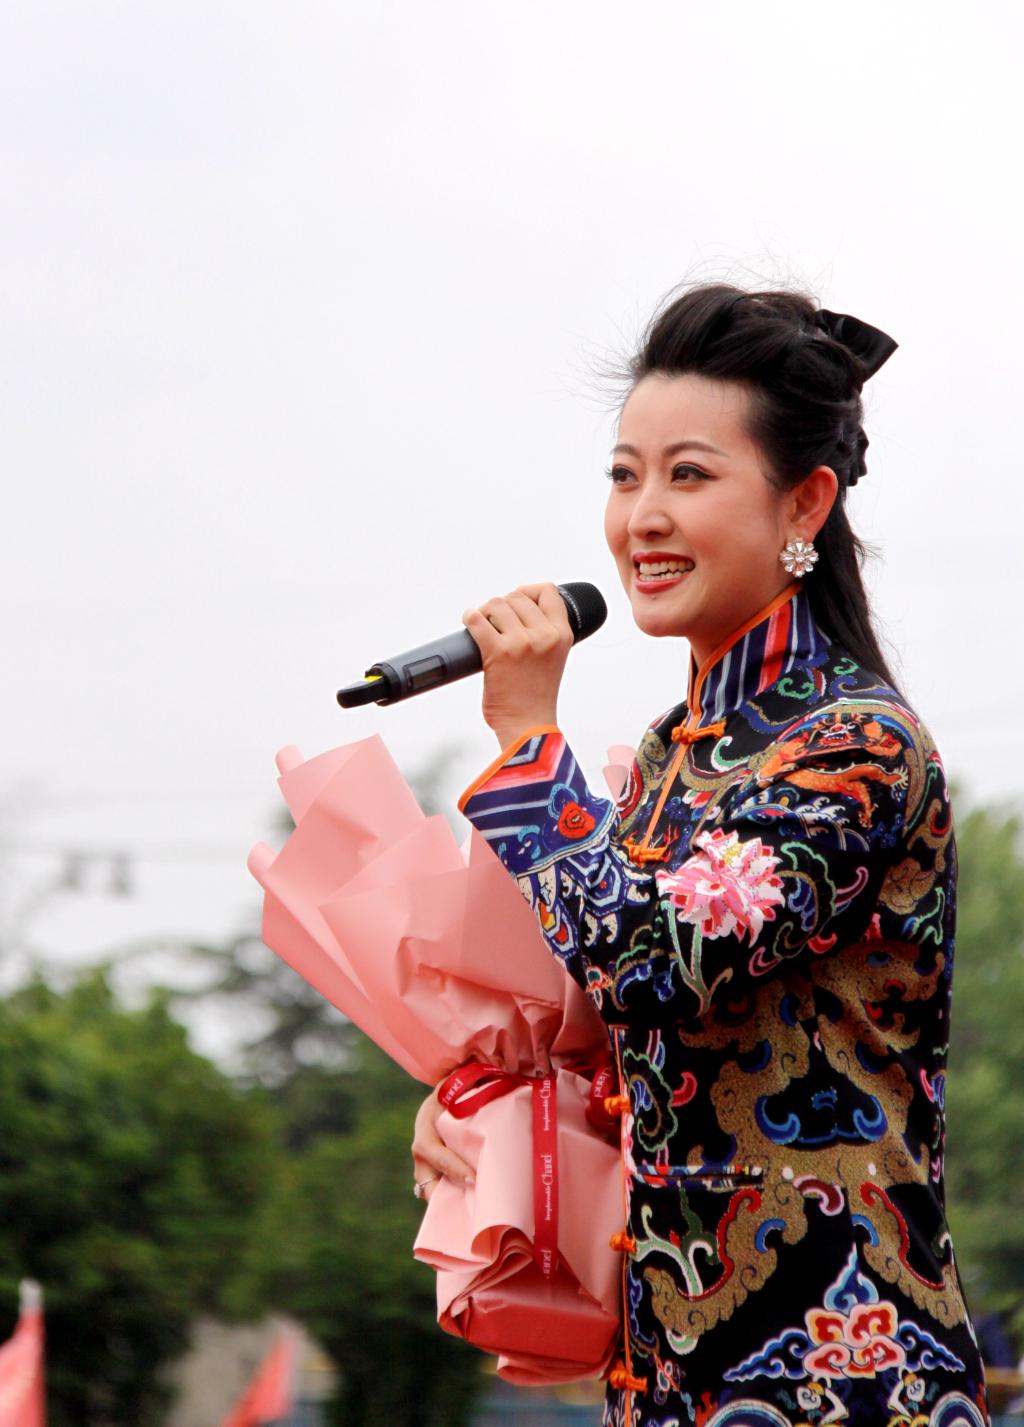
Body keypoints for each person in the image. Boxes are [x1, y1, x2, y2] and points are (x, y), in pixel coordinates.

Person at [410, 283, 990, 1426]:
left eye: (687, 475)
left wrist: (528, 744)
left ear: (804, 500)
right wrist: (491, 1101)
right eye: (624, 475)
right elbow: (638, 1040)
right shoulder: (670, 758)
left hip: (840, 1371)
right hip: (671, 1369)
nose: (642, 517)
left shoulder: (854, 746)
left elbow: (649, 959)